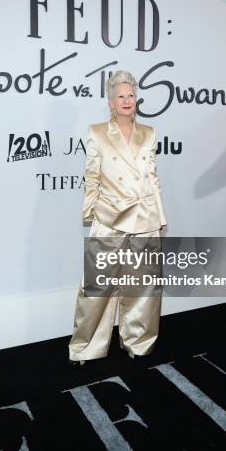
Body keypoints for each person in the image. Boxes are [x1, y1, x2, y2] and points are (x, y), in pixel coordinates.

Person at [69, 70, 167, 365]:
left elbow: (152, 178)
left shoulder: (148, 133)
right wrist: (90, 212)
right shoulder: (97, 132)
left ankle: (138, 343)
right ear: (111, 102)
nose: (127, 100)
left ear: (136, 99)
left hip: (145, 217)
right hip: (109, 217)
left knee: (144, 288)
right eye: (121, 96)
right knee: (95, 288)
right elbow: (92, 177)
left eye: (131, 95)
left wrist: (161, 215)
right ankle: (85, 347)